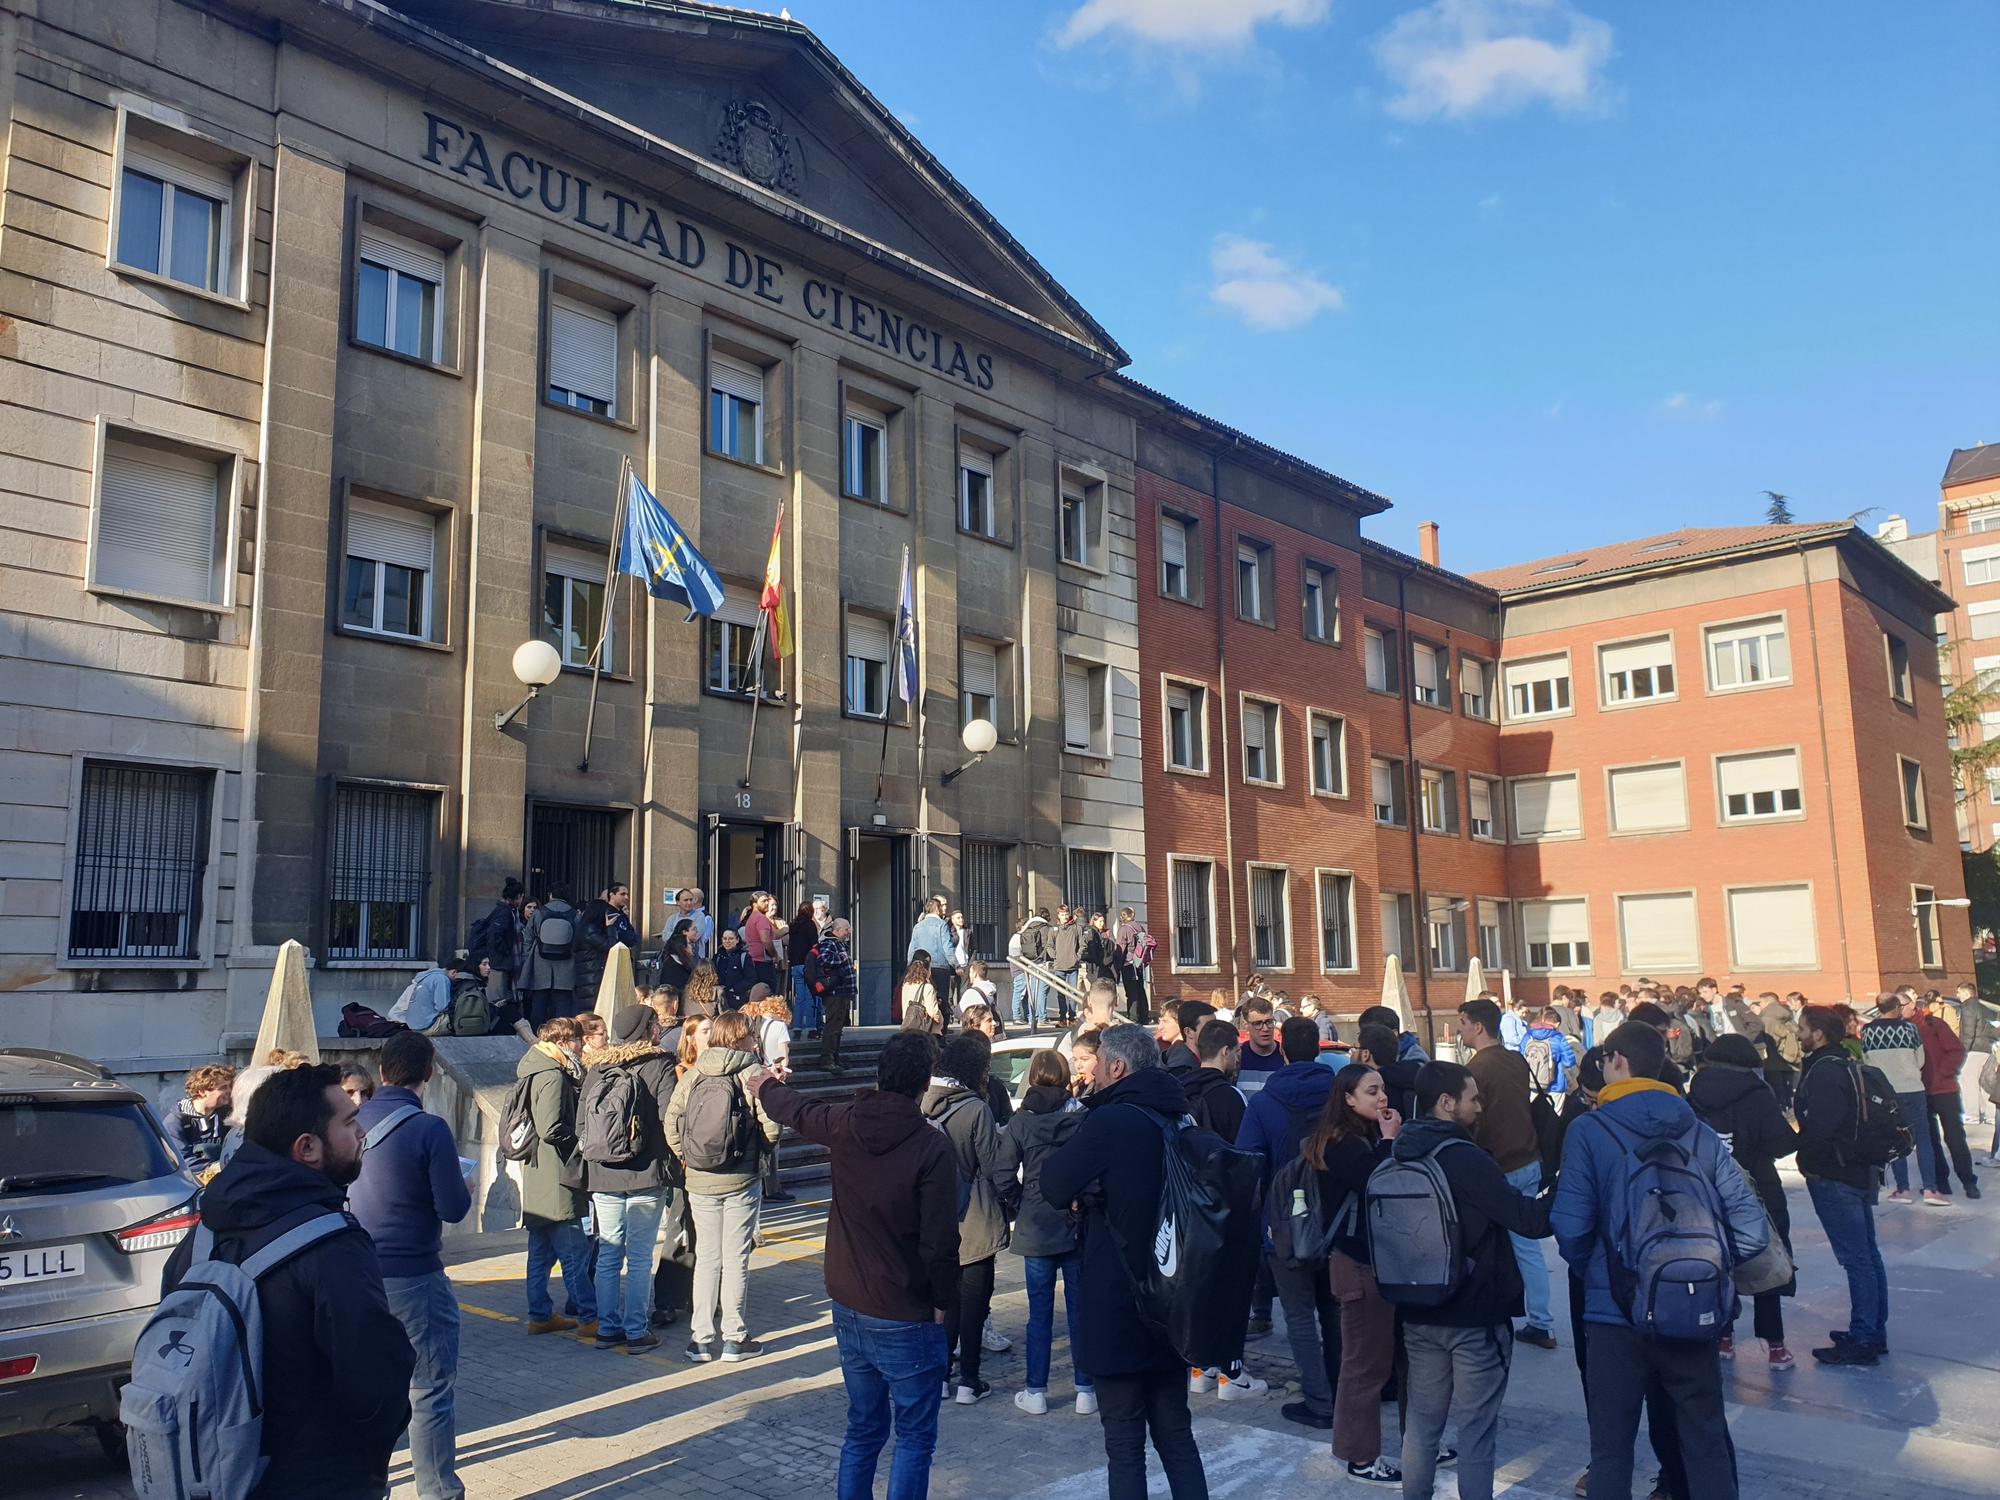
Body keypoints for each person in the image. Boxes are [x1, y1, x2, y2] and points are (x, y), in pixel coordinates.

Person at [162, 1063, 416, 1498]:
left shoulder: (205, 1227)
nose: (361, 1133)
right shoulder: (333, 1243)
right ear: (307, 1148)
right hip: (313, 1477)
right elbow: (377, 1380)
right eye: (350, 1122)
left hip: (215, 1470)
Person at [1554, 1022, 1768, 1500]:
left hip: (1613, 1313)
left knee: (1612, 1448)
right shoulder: (1700, 1131)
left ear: (1617, 1063)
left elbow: (1569, 1226)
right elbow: (1752, 1231)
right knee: (1705, 1440)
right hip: (1693, 1307)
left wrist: (1602, 1272)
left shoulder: (1589, 1130)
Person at [751, 1033, 958, 1500]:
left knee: (863, 1429)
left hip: (849, 1302)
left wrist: (763, 1085)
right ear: (923, 1085)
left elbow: (796, 1109)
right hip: (906, 1310)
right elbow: (941, 1242)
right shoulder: (931, 1148)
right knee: (914, 1436)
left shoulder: (845, 1121)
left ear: (879, 1074)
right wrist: (946, 1301)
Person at [1041, 1025, 1210, 1500]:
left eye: (1097, 1064)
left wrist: (1089, 1191)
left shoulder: (1111, 1122)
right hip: (1174, 1299)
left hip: (1118, 1300)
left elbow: (1054, 1184)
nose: (1090, 1072)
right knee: (1177, 1437)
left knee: (1125, 1445)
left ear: (1117, 1067)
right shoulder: (1183, 1118)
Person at [1394, 1061, 1550, 1500]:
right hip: (1474, 1316)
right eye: (1473, 1097)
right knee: (1477, 1432)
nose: (1479, 1106)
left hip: (1417, 1309)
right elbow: (1528, 1219)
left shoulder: (1400, 1151)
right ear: (1447, 1103)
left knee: (1422, 1427)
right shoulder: (1466, 1158)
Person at [347, 1032, 474, 1500]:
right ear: (428, 1073)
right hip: (414, 1274)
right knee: (430, 1389)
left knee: (365, 1392)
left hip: (356, 1272)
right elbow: (453, 1208)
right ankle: (437, 1490)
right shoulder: (429, 1129)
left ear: (381, 1073)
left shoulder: (351, 1121)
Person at [1234, 1014, 1340, 1427]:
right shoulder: (1340, 1096)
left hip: (1283, 1221)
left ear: (1282, 1049)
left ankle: (1318, 1399)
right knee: (1333, 1310)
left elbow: (1248, 1161)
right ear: (1318, 1048)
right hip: (1335, 1216)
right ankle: (1341, 1389)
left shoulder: (1264, 1102)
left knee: (1298, 1314)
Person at [1304, 1062, 1403, 1484]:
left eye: (1382, 1090)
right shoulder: (1343, 1143)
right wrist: (1388, 1142)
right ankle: (1360, 1457)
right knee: (1364, 1366)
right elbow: (1374, 1183)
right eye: (1371, 1091)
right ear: (1347, 1098)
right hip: (1356, 1264)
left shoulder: (1354, 1137)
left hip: (1368, 1262)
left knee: (1375, 1361)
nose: (1381, 1098)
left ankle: (1374, 1448)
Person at [665, 1008, 782, 1361]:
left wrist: (688, 1156)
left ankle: (700, 1339)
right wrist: (761, 1150)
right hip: (741, 1178)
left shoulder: (695, 1071)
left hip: (699, 1179)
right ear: (742, 1038)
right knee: (736, 1259)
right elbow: (772, 1126)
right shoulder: (754, 1072)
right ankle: (735, 1336)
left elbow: (672, 1122)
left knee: (707, 1259)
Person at [1689, 1032, 1799, 1368]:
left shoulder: (1695, 1090)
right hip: (1758, 1187)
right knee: (1766, 1259)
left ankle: (1723, 1335)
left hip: (1710, 1187)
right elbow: (1781, 1143)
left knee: (1719, 1259)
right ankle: (1776, 1345)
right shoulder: (1757, 1093)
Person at [921, 1028, 1018, 1403]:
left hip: (934, 1213)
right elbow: (993, 1166)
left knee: (944, 1301)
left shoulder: (921, 1100)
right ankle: (969, 1379)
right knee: (974, 1302)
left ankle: (941, 1375)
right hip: (975, 1214)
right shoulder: (975, 1108)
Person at [1457, 996, 1557, 1349]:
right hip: (1529, 1157)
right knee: (1527, 1247)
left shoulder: (1474, 1070)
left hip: (1496, 1165)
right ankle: (1542, 1322)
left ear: (1478, 1026)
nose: (1459, 1030)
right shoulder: (1515, 1059)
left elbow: (1474, 1120)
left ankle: (1495, 1312)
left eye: (1463, 1023)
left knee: (1485, 1244)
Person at [583, 1003, 683, 1353]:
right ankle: (636, 1330)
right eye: (655, 1024)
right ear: (647, 1029)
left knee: (609, 1252)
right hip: (645, 1172)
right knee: (640, 1257)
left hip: (603, 1173)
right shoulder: (658, 1064)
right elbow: (671, 1119)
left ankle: (607, 1329)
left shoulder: (598, 1066)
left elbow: (583, 1123)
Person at [997, 1049, 1092, 1415]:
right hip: (1073, 1221)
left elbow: (1004, 1174)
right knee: (1080, 1309)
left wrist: (1020, 1202)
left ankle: (1035, 1390)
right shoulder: (1082, 1117)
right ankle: (1086, 1388)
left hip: (1035, 1224)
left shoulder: (1022, 1121)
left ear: (1033, 1078)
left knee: (1038, 1314)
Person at [512, 1015, 598, 1337]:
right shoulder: (552, 1075)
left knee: (540, 1252)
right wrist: (578, 1147)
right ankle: (589, 1317)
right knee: (574, 1252)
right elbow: (551, 1128)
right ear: (563, 1043)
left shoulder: (534, 1068)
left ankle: (540, 1315)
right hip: (556, 1173)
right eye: (577, 1040)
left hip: (538, 1172)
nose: (581, 1045)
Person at [1861, 993, 1945, 1204]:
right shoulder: (1910, 1029)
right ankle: (1930, 1189)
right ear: (1897, 1008)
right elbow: (1920, 1059)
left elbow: (1867, 1061)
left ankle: (1903, 1189)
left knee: (1896, 1139)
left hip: (1885, 1092)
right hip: (1912, 1088)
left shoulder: (1868, 1031)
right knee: (1923, 1139)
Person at [1916, 994, 1981, 1199]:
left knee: (1955, 1138)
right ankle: (1940, 1182)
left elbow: (1956, 1050)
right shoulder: (1903, 1029)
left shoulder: (1934, 1024)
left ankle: (1968, 1181)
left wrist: (1942, 1073)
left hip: (1945, 1090)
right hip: (1919, 1091)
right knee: (1930, 1140)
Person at [747, 994, 798, 1204]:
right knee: (773, 1135)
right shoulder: (779, 1027)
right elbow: (783, 1055)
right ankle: (773, 1187)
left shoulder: (755, 1024)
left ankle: (764, 1183)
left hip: (756, 1077)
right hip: (773, 1078)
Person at [520, 883, 580, 1029]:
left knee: (539, 1003)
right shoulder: (575, 914)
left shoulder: (540, 913)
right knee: (563, 1004)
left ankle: (537, 1034)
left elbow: (528, 937)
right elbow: (579, 940)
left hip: (540, 962)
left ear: (551, 895)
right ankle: (563, 1035)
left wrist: (528, 959)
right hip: (566, 964)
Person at [470, 876, 526, 1024]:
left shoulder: (504, 911)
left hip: (500, 962)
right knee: (499, 999)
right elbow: (495, 935)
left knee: (501, 998)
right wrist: (505, 953)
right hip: (500, 963)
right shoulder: (505, 913)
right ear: (519, 896)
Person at [576, 882, 640, 1011]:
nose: (627, 897)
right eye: (623, 894)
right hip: (593, 975)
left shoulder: (617, 918)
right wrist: (610, 927)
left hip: (598, 972)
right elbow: (611, 947)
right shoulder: (590, 929)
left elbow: (632, 938)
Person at [1183, 1018, 1247, 1142]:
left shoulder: (1181, 1087)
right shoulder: (1232, 1095)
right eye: (1237, 1052)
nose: (1238, 1059)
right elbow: (1245, 1145)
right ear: (1226, 1052)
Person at [163, 1062, 234, 1170]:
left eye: (229, 1086)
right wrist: (214, 1169)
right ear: (202, 1092)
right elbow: (181, 1160)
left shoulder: (227, 1115)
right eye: (223, 1087)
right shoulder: (176, 1122)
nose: (229, 1091)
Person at [813, 917, 860, 1071]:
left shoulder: (839, 943)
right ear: (838, 930)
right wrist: (841, 957)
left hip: (842, 991)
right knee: (833, 1026)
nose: (849, 932)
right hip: (834, 991)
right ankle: (827, 1060)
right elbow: (823, 959)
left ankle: (834, 1058)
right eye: (846, 929)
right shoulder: (829, 942)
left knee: (838, 1027)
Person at [1521, 1007, 1580, 1100]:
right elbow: (1569, 1062)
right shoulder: (1559, 1038)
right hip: (1555, 1086)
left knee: (1534, 1113)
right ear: (1556, 1024)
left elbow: (1520, 1057)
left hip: (1531, 1084)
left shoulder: (1527, 1036)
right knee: (1555, 1114)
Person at [1234, 994, 1286, 1096]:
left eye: (1269, 1022)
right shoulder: (1237, 1058)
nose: (1265, 1028)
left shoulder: (1285, 1056)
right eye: (1258, 1023)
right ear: (1246, 1025)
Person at [788, 898, 823, 1041]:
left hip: (795, 965)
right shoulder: (810, 925)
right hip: (808, 965)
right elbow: (814, 945)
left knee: (799, 998)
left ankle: (796, 1028)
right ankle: (811, 1028)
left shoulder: (793, 926)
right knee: (810, 997)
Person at [1113, 908, 1155, 1025]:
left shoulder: (1124, 929)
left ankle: (1132, 1018)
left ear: (1122, 916)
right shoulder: (1139, 927)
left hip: (1128, 964)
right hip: (1139, 963)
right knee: (1140, 990)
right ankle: (1144, 1017)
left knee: (1131, 992)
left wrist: (1117, 966)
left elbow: (1120, 949)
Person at [1015, 908, 1054, 1028]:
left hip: (1030, 962)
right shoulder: (1046, 928)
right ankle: (1041, 1016)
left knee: (1032, 991)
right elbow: (1048, 946)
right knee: (1043, 989)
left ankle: (1033, 1017)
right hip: (1043, 963)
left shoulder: (1028, 927)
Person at [1157, 1000, 1214, 1079]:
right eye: (1208, 1027)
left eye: (1165, 1022)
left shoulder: (1195, 1058)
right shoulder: (1181, 1069)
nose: (1215, 1031)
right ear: (1188, 1032)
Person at [1358, 1004, 1431, 1065]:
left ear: (1393, 1034)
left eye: (1371, 1035)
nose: (1364, 1039)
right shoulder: (1369, 1053)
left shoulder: (1414, 1059)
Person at [743, 890, 785, 993]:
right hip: (762, 962)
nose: (767, 903)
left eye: (767, 900)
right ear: (754, 903)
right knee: (766, 994)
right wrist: (775, 955)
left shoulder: (752, 918)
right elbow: (766, 940)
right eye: (764, 901)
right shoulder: (761, 918)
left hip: (753, 960)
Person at [908, 895, 955, 986]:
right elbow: (947, 947)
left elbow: (912, 949)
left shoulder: (917, 926)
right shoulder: (942, 924)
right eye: (941, 906)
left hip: (921, 967)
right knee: (940, 998)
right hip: (940, 967)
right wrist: (956, 965)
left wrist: (909, 966)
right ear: (937, 909)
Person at [1048, 905, 1084, 1024]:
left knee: (1072, 993)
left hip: (1073, 965)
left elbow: (1082, 945)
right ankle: (1062, 1017)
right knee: (1061, 993)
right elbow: (1049, 946)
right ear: (1058, 915)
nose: (1064, 916)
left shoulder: (1076, 928)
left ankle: (1072, 1017)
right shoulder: (1054, 929)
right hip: (1059, 966)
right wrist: (1055, 956)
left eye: (1066, 914)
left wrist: (1077, 957)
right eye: (1062, 914)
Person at [899, 953, 944, 1034]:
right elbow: (932, 1012)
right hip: (924, 1029)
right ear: (927, 970)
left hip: (909, 1025)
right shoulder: (927, 987)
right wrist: (939, 1020)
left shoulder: (906, 985)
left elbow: (904, 1008)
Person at [712, 925, 752, 1006]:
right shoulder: (717, 957)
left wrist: (734, 989)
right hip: (719, 999)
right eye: (725, 939)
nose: (727, 941)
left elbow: (750, 979)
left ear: (737, 940)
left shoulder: (744, 957)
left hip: (737, 999)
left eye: (731, 939)